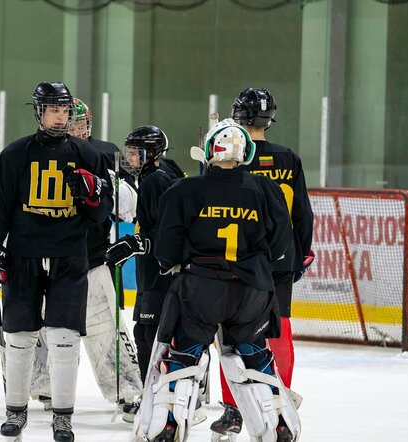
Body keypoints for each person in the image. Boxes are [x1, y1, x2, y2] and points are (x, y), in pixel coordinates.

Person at [131, 118, 300, 442]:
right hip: (251, 292)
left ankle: (168, 422)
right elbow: (281, 246)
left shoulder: (185, 190)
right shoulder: (265, 189)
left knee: (184, 358)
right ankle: (279, 423)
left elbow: (166, 251)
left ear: (209, 150)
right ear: (245, 152)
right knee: (254, 355)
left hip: (200, 290)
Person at [0, 81, 112, 442]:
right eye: (54, 109)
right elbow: (1, 207)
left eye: (65, 110)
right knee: (19, 337)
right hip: (24, 255)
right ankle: (15, 411)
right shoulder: (15, 154)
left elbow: (103, 217)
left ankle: (63, 416)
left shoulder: (89, 156)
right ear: (39, 111)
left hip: (70, 256)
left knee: (64, 338)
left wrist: (93, 196)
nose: (60, 116)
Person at [209, 88, 314, 440]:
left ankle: (232, 409)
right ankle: (279, 399)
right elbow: (302, 213)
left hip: (235, 259)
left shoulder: (232, 155)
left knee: (229, 336)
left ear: (238, 115)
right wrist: (302, 253)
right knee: (279, 329)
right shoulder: (288, 158)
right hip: (279, 261)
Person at [30, 98, 142, 414]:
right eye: (69, 122)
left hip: (91, 260)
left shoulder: (103, 154)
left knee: (106, 329)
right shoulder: (38, 153)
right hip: (47, 259)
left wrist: (105, 183)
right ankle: (46, 388)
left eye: (80, 123)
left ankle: (128, 390)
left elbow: (129, 206)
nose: (75, 129)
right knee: (46, 328)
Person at [105, 125, 185, 421]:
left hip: (158, 274)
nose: (130, 158)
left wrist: (138, 243)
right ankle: (177, 395)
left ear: (151, 154)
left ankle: (155, 399)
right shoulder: (168, 171)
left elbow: (166, 232)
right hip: (163, 272)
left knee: (148, 336)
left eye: (135, 153)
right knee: (164, 336)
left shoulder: (153, 181)